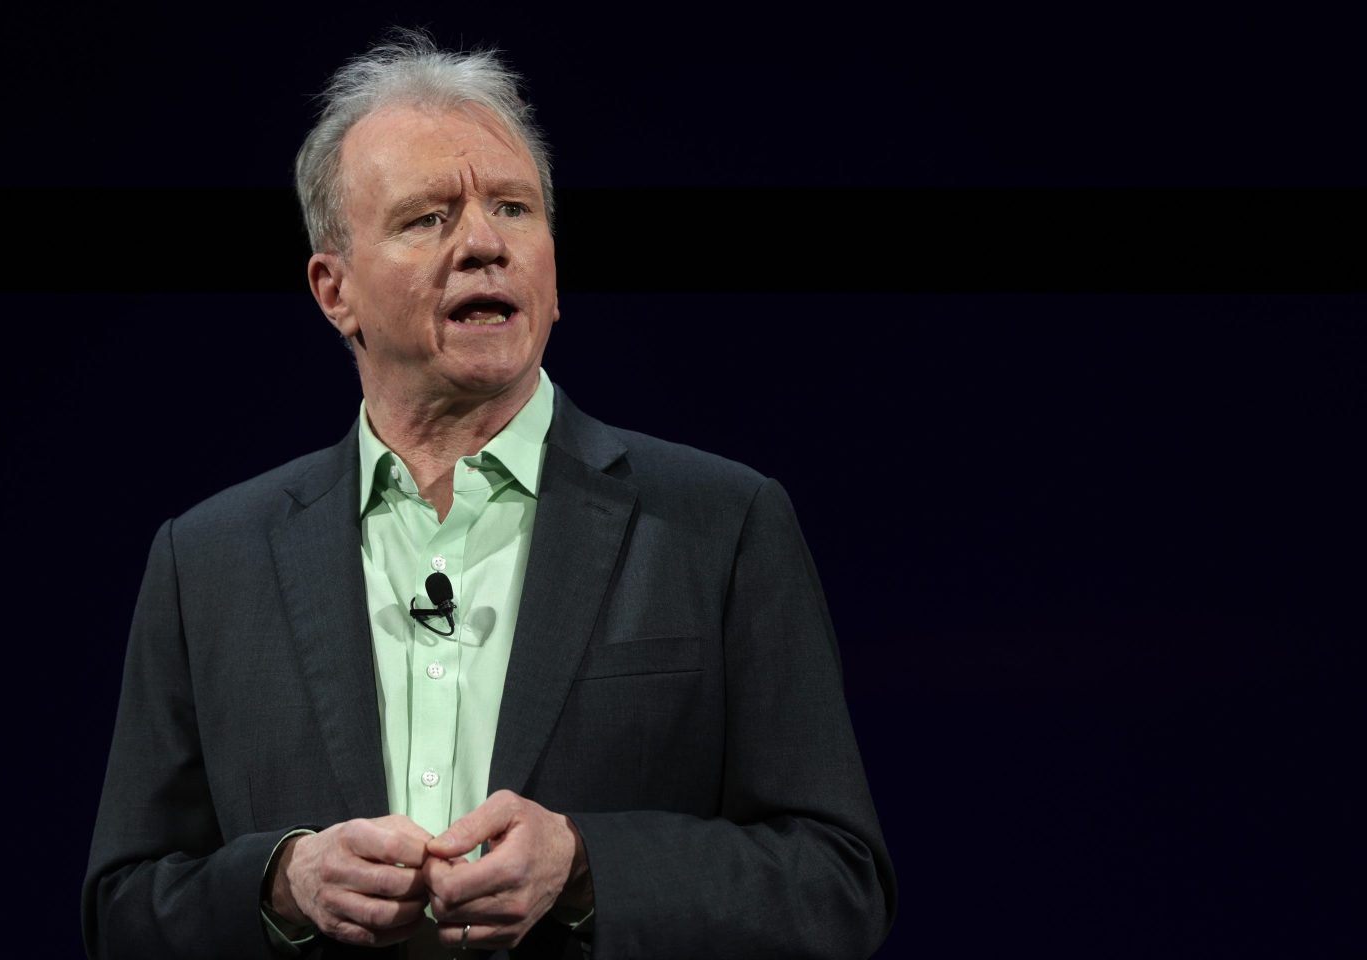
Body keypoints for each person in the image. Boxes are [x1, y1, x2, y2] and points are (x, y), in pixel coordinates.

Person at [83, 31, 895, 960]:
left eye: (513, 208)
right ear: (334, 290)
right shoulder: (207, 562)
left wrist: (587, 866)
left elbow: (838, 884)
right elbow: (125, 909)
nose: (483, 244)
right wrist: (283, 884)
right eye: (427, 218)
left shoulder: (721, 525)